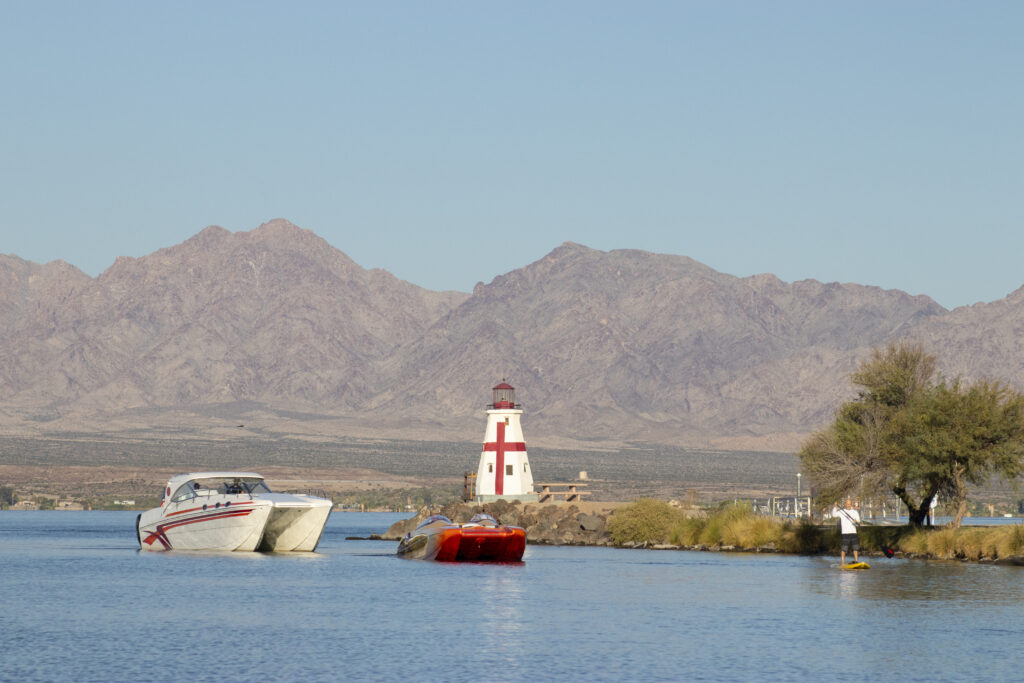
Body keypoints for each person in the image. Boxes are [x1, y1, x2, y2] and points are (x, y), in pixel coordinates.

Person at [836, 498, 860, 565]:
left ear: (851, 504)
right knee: (844, 548)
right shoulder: (841, 511)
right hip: (845, 533)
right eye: (847, 504)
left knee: (855, 548)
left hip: (853, 532)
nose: (849, 505)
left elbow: (858, 520)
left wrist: (856, 521)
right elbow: (833, 514)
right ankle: (842, 562)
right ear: (845, 504)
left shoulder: (855, 512)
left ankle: (856, 561)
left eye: (850, 504)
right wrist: (835, 507)